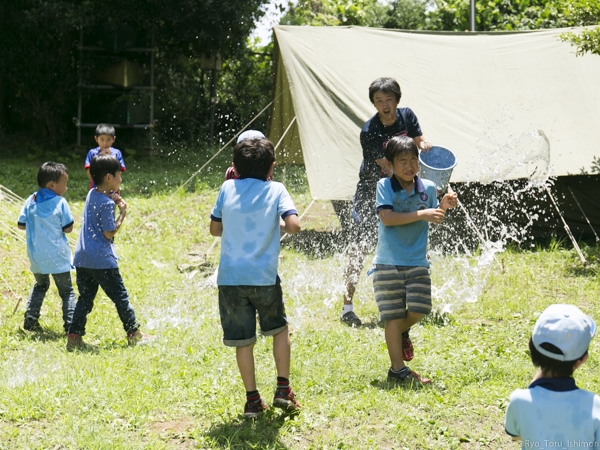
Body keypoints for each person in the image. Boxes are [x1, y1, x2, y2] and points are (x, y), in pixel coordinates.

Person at [210, 137, 302, 419]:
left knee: (243, 340)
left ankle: (252, 400)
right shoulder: (276, 189)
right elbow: (294, 226)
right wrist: (279, 221)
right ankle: (283, 389)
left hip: (230, 280)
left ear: (234, 168)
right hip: (263, 278)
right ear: (271, 167)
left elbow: (215, 229)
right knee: (278, 329)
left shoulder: (227, 187)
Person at [339, 77, 432, 331]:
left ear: (397, 100)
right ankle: (347, 306)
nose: (384, 105)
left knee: (416, 239)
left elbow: (419, 140)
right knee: (359, 246)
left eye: (388, 99)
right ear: (373, 104)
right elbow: (387, 167)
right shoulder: (369, 131)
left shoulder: (407, 116)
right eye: (378, 101)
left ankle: (416, 300)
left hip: (404, 186)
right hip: (373, 189)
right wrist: (412, 175)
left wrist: (425, 147)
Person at [372, 136, 457, 385]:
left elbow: (435, 217)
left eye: (413, 160)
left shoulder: (428, 188)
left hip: (418, 261)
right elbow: (387, 218)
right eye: (402, 161)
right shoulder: (384, 185)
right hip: (388, 261)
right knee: (393, 316)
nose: (409, 166)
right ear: (390, 165)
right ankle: (397, 370)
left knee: (420, 309)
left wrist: (444, 205)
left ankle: (401, 332)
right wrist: (423, 213)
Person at [67, 154, 149, 349]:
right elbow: (108, 233)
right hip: (102, 259)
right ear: (108, 177)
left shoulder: (92, 194)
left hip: (82, 257)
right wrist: (122, 213)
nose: (120, 179)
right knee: (120, 297)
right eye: (118, 175)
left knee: (85, 299)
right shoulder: (107, 204)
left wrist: (112, 196)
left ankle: (74, 337)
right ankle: (134, 333)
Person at [505, 304, 600, 446]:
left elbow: (516, 436)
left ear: (531, 347)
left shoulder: (519, 401)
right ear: (582, 360)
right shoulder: (594, 405)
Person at [17, 162, 76, 333]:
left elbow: (21, 224)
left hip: (37, 256)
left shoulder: (31, 199)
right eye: (64, 183)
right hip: (57, 255)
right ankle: (71, 326)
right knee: (67, 292)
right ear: (52, 184)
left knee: (41, 285)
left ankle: (30, 319)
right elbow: (68, 228)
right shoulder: (61, 202)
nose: (66, 187)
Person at [84, 124, 126, 190]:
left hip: (112, 187)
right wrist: (100, 156)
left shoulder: (116, 153)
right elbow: (89, 173)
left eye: (108, 139)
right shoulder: (92, 153)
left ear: (113, 139)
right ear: (96, 139)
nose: (105, 143)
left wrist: (110, 158)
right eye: (102, 139)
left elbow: (120, 171)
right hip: (96, 187)